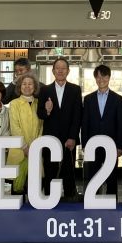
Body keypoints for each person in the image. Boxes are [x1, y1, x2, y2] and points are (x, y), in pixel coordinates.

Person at [37, 58, 83, 201]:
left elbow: (77, 115)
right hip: (50, 138)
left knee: (69, 170)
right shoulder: (45, 90)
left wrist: (73, 137)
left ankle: (70, 199)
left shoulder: (75, 89)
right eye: (58, 68)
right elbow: (40, 113)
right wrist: (47, 111)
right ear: (53, 71)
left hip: (69, 139)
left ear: (68, 71)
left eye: (63, 68)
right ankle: (49, 199)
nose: (60, 71)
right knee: (50, 170)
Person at [81, 65, 122, 196]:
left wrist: (119, 146)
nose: (101, 79)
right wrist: (85, 144)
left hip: (112, 145)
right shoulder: (88, 99)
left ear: (109, 77)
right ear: (95, 78)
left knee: (111, 177)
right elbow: (85, 123)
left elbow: (120, 124)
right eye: (98, 77)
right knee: (93, 176)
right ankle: (94, 202)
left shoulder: (118, 99)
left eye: (104, 76)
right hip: (93, 144)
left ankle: (112, 204)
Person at [7, 72, 43, 195]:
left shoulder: (39, 103)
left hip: (36, 150)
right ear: (19, 86)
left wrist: (35, 146)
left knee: (35, 190)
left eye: (30, 84)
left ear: (35, 87)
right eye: (24, 84)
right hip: (19, 150)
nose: (27, 86)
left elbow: (42, 127)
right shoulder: (14, 103)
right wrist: (25, 147)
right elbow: (15, 127)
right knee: (18, 190)